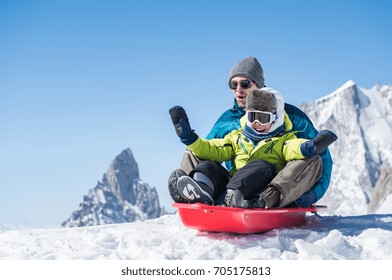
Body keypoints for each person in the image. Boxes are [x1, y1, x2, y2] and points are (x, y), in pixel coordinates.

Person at [168, 56, 334, 207]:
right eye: (234, 84)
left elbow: (317, 157)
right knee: (194, 151)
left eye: (245, 84)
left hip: (269, 184)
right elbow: (211, 149)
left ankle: (261, 199)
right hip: (233, 181)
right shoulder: (228, 121)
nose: (238, 89)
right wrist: (190, 138)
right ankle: (195, 193)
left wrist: (313, 194)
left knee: (311, 157)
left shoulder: (291, 118)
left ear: (259, 85)